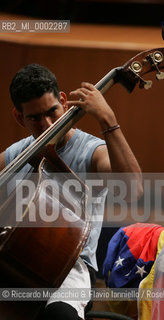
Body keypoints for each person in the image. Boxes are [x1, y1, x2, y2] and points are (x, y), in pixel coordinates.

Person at [0, 64, 142, 319]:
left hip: (69, 270)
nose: (47, 124)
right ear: (19, 117)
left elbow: (132, 190)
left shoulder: (92, 151)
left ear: (64, 102)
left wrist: (108, 120)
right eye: (34, 118)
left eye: (52, 111)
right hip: (14, 266)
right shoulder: (14, 156)